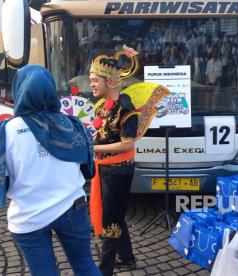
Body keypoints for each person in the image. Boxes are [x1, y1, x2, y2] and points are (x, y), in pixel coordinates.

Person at [0, 65, 100, 276]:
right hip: (73, 207)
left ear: (19, 90)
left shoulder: (2, 133)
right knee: (85, 266)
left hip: (28, 215)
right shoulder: (73, 125)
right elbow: (87, 167)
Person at [89, 52, 139, 276]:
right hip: (104, 168)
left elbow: (127, 145)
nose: (91, 84)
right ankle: (127, 258)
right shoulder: (102, 107)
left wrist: (94, 149)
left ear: (109, 81)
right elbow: (103, 134)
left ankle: (105, 269)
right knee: (115, 212)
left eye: (94, 80)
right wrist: (93, 140)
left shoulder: (127, 110)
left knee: (111, 218)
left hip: (119, 170)